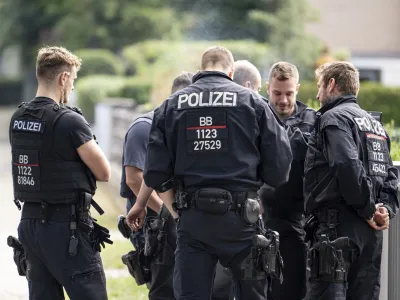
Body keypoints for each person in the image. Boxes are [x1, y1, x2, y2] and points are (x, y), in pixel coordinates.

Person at [141, 46, 293, 300]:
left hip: (193, 220)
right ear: (231, 71)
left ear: (201, 70)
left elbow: (154, 173)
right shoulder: (252, 102)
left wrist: (177, 210)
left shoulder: (171, 105)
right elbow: (280, 168)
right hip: (243, 221)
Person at [10, 46, 111, 300]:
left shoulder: (18, 117)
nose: (73, 88)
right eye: (73, 80)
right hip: (66, 228)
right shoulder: (69, 120)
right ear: (63, 78)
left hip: (30, 225)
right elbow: (104, 172)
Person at [303, 61, 399, 300]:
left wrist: (367, 210)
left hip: (337, 232)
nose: (317, 94)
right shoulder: (375, 125)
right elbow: (390, 175)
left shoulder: (333, 119)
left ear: (332, 84)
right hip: (371, 235)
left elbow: (346, 165)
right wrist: (384, 209)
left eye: (319, 86)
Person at [122, 71, 194, 300]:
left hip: (179, 217)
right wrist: (168, 214)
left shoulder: (183, 128)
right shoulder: (145, 127)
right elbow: (134, 179)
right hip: (155, 220)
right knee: (165, 286)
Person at [259, 61, 317, 300]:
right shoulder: (255, 116)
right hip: (257, 219)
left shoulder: (313, 121)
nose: (283, 100)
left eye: (289, 93)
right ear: (267, 88)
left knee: (292, 289)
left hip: (295, 221)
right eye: (277, 93)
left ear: (298, 89)